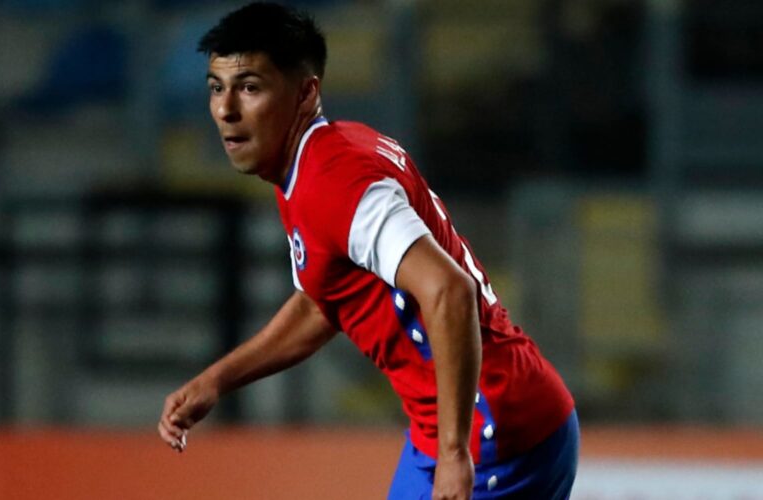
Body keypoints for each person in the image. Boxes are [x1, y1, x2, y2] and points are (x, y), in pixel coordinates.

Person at [157, 3, 578, 499]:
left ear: (305, 93)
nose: (226, 109)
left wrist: (454, 452)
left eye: (250, 87)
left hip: (494, 437)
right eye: (216, 87)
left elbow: (448, 290)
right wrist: (217, 380)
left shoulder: (334, 183)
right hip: (465, 427)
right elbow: (324, 301)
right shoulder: (318, 159)